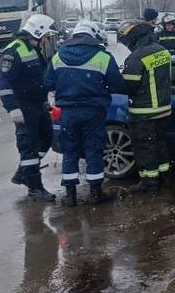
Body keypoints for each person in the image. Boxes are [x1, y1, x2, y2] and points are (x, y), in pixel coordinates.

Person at [44, 21, 124, 206]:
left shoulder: (58, 56)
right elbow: (117, 85)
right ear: (92, 35)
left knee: (70, 151)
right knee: (93, 150)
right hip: (93, 112)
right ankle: (95, 193)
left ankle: (70, 195)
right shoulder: (102, 56)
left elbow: (48, 83)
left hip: (68, 113)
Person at [0, 14, 59, 201]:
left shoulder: (33, 48)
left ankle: (24, 173)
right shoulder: (14, 51)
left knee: (46, 137)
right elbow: (3, 83)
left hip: (37, 105)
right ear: (38, 32)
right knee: (29, 147)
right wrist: (12, 109)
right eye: (47, 36)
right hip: (23, 107)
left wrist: (45, 101)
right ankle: (34, 187)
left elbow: (39, 78)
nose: (48, 40)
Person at [118, 21, 172, 192]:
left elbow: (129, 86)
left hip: (144, 112)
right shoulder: (162, 50)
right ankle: (164, 177)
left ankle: (149, 182)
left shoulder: (136, 57)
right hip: (163, 109)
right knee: (161, 144)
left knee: (144, 147)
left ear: (134, 39)